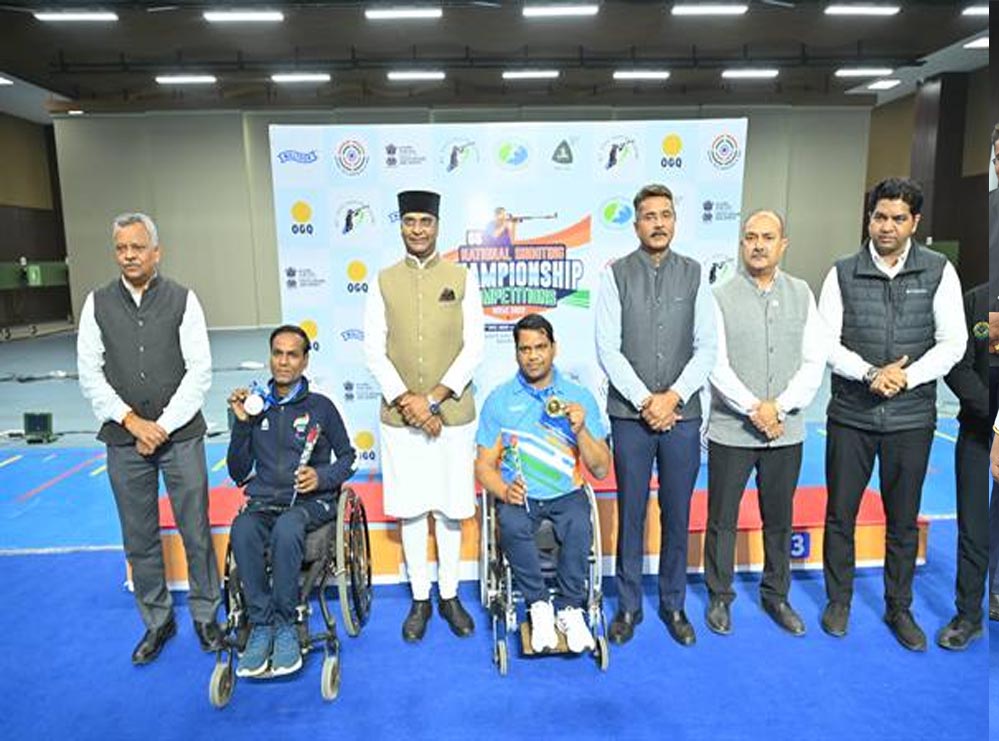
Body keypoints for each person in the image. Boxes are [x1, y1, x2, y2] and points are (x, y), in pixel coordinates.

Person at [818, 177, 966, 651]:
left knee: (903, 520)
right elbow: (824, 343)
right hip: (851, 416)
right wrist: (869, 374)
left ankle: (898, 607)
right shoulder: (841, 272)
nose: (887, 226)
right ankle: (838, 600)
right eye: (880, 217)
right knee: (840, 515)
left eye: (898, 218)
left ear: (914, 222)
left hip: (911, 419)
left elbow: (953, 342)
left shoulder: (939, 270)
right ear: (870, 219)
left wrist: (906, 377)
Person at [77, 212, 222, 664]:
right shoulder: (96, 304)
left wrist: (161, 426)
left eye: (137, 247)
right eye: (121, 248)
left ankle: (206, 614)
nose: (129, 256)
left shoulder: (184, 300)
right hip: (125, 441)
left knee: (195, 530)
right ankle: (158, 621)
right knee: (138, 536)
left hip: (180, 438)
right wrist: (131, 422)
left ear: (156, 252)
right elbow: (90, 374)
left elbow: (199, 371)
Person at [595, 183, 717, 646]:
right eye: (649, 216)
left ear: (675, 221)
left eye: (666, 215)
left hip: (682, 417)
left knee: (677, 512)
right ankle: (628, 606)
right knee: (631, 512)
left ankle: (673, 603)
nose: (659, 223)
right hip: (631, 417)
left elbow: (707, 347)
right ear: (636, 224)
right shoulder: (616, 275)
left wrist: (674, 398)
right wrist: (647, 400)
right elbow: (607, 348)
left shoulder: (694, 274)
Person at [364, 189, 485, 642]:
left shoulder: (462, 277)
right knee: (412, 509)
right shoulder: (383, 281)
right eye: (410, 221)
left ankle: (449, 596)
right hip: (400, 418)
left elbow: (474, 348)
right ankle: (420, 598)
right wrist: (409, 403)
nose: (418, 229)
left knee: (450, 508)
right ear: (400, 225)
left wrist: (431, 400)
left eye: (425, 221)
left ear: (437, 225)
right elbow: (373, 350)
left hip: (452, 413)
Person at [705, 209, 827, 637]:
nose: (758, 245)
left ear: (783, 244)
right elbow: (715, 364)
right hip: (731, 430)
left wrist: (780, 408)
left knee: (779, 518)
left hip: (785, 432)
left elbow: (814, 360)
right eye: (751, 237)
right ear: (742, 243)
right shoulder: (718, 296)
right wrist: (756, 409)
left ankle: (776, 595)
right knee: (721, 519)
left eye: (767, 237)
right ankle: (720, 596)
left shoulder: (802, 293)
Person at [474, 314, 611, 653]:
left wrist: (580, 430)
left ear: (554, 348)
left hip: (567, 492)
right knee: (511, 523)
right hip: (520, 496)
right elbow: (483, 467)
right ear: (516, 353)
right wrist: (504, 490)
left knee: (579, 523)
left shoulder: (579, 397)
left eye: (540, 347)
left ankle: (570, 609)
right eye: (525, 349)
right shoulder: (499, 400)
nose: (533, 356)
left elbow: (600, 469)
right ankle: (538, 605)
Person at [226, 325, 356, 677]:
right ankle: (261, 623)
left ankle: (286, 622)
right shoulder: (255, 408)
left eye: (292, 354)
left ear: (305, 360)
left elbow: (348, 457)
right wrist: (242, 425)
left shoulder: (321, 407)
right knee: (242, 528)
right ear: (271, 357)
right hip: (265, 502)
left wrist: (321, 477)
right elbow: (238, 472)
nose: (283, 362)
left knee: (287, 527)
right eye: (277, 353)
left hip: (311, 504)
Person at [935, 283, 988, 649]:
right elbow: (958, 366)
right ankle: (969, 615)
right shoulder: (976, 301)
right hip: (979, 433)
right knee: (973, 527)